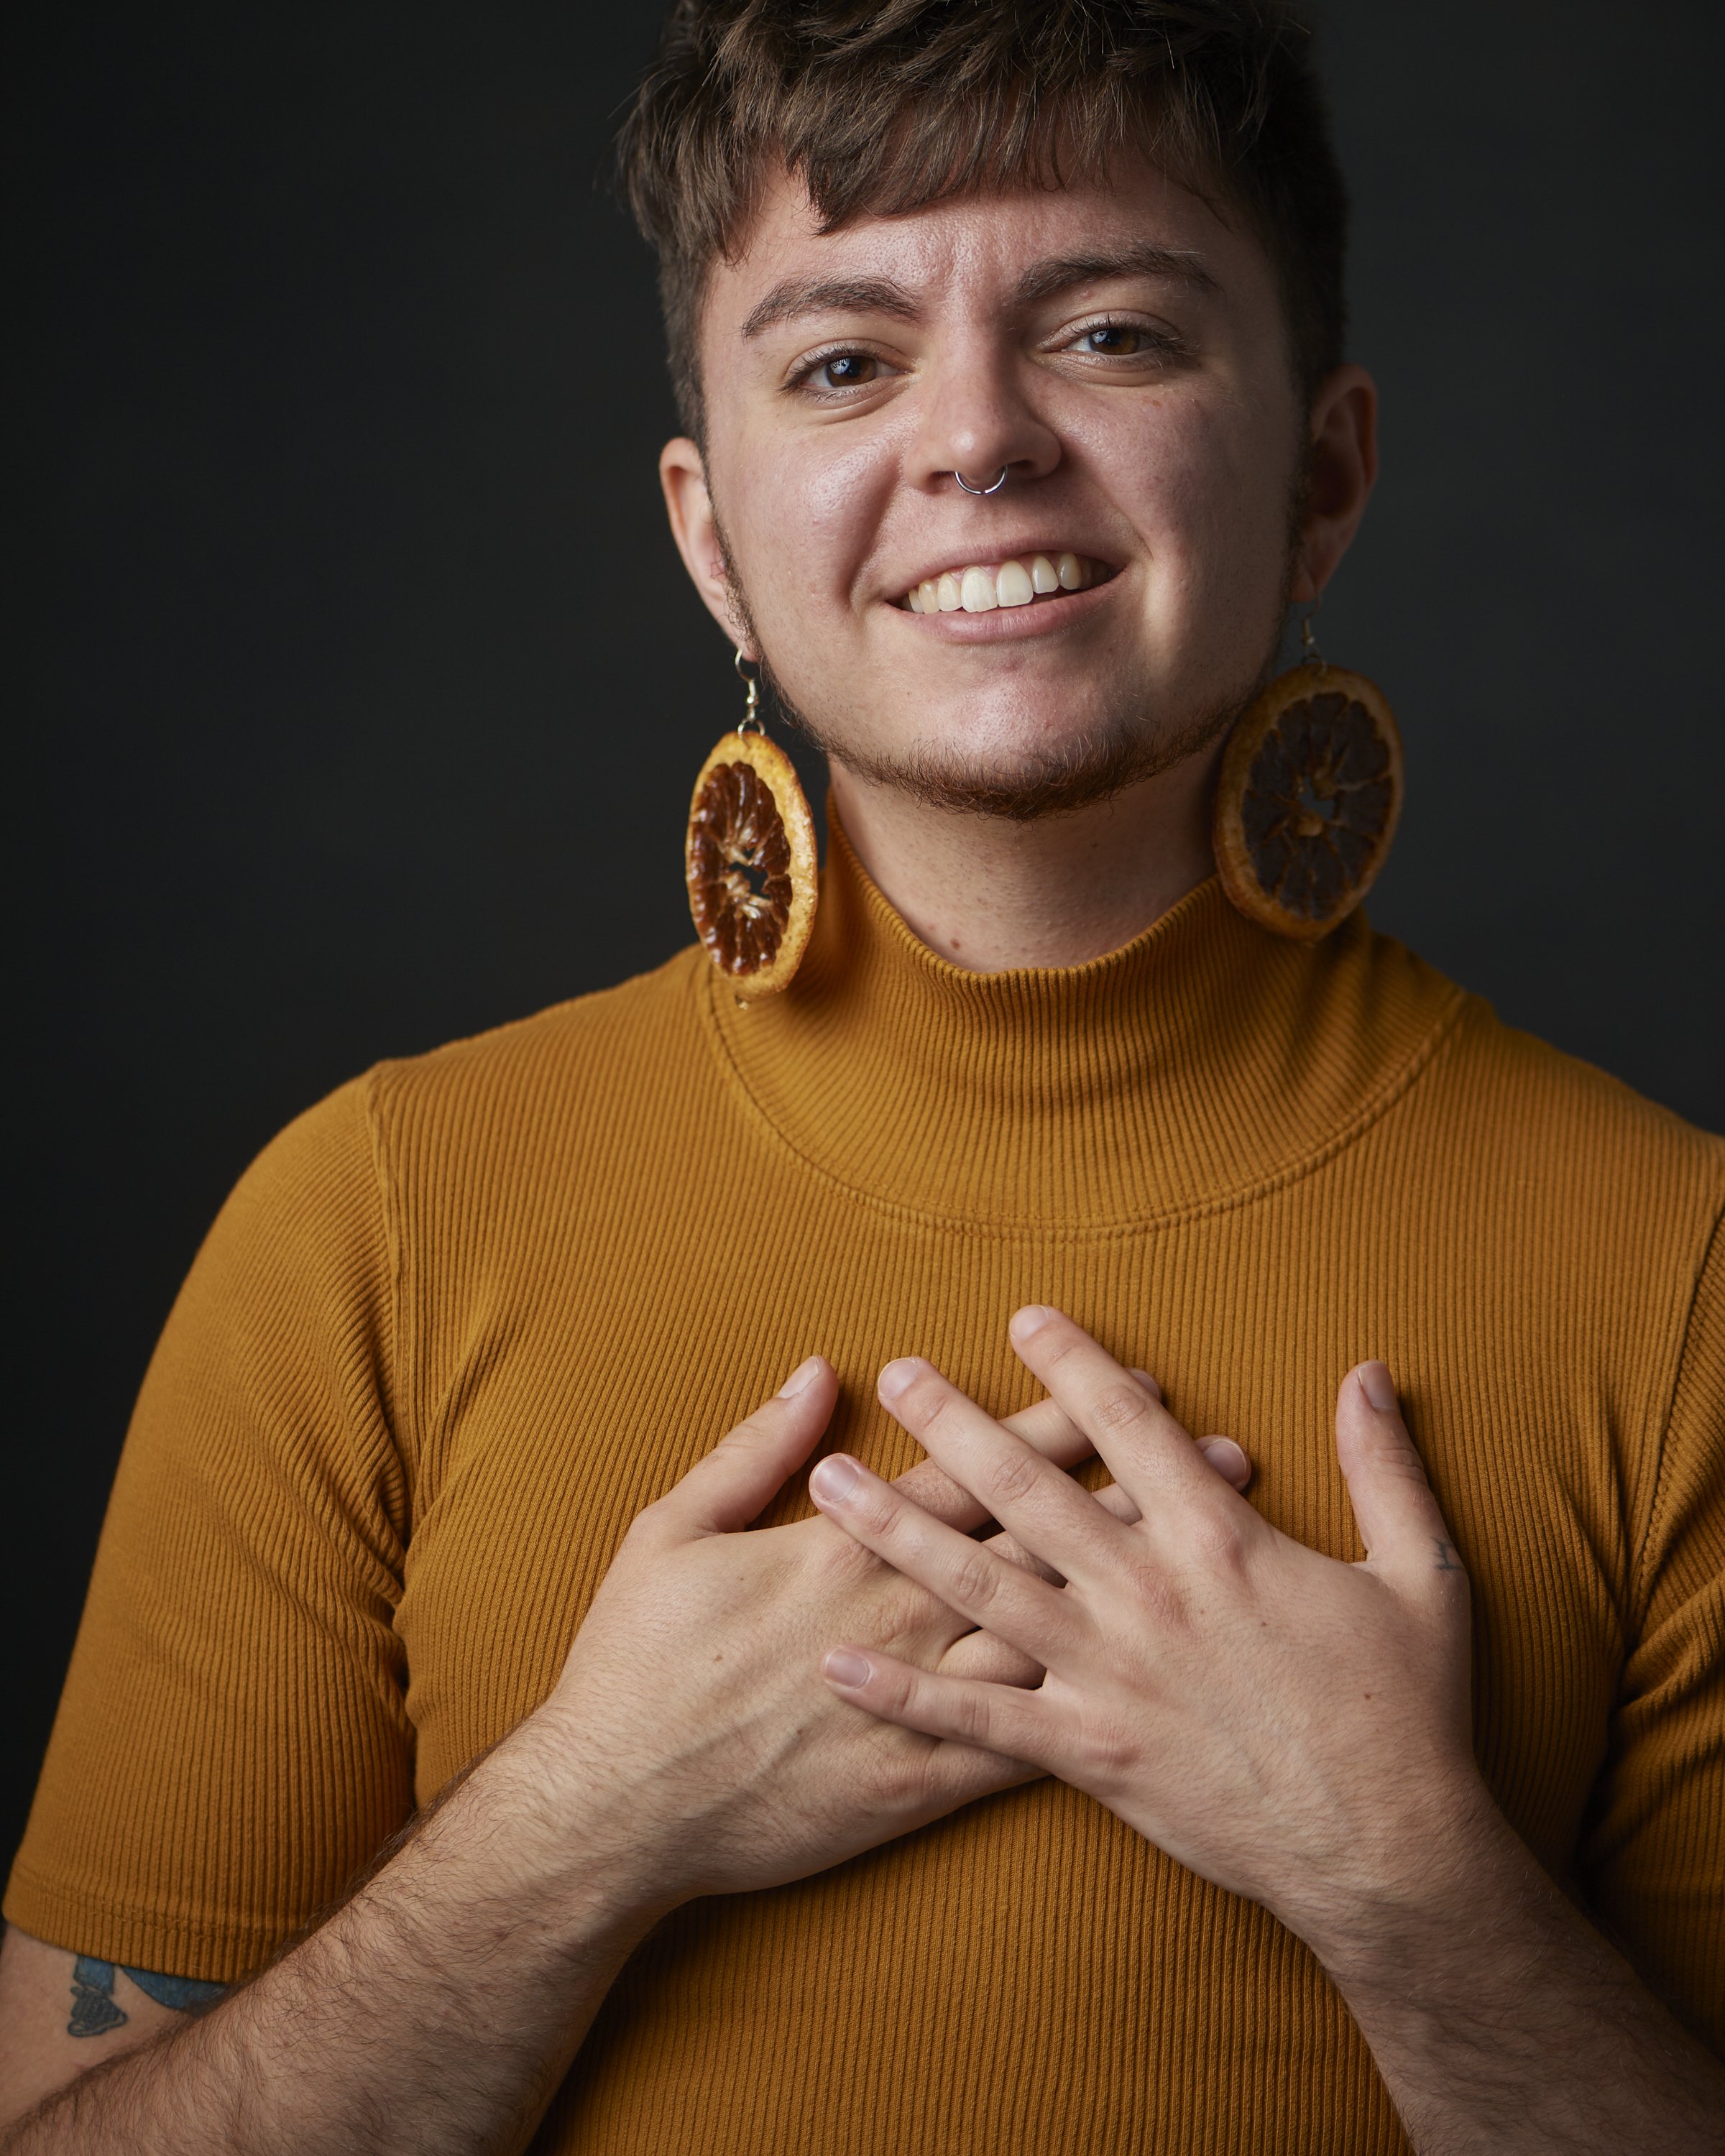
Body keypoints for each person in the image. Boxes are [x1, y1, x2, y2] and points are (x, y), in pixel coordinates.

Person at [2, 1, 1721, 2149]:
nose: (978, 438)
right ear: (714, 537)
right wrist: (580, 1821)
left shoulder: (1676, 1273)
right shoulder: (370, 1226)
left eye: (1111, 334)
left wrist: (1407, 1881)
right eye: (842, 363)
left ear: (1324, 476)